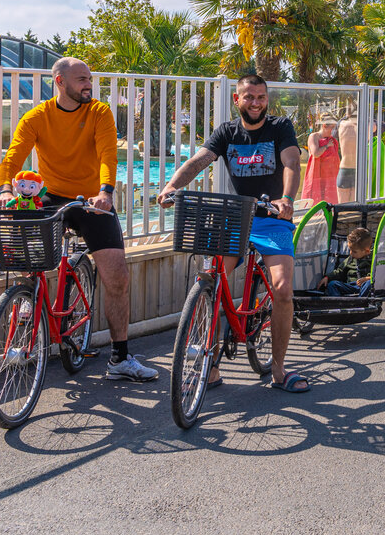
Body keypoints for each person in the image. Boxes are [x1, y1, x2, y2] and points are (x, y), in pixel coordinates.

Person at [0, 57, 157, 382]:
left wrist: (106, 191)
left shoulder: (98, 112)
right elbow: (12, 157)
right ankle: (27, 303)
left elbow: (108, 154)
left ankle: (120, 358)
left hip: (90, 199)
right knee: (30, 253)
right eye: (81, 79)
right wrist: (3, 189)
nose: (88, 84)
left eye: (90, 78)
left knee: (117, 276)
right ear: (60, 82)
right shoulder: (37, 117)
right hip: (52, 195)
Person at [156, 74, 308, 393]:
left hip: (272, 216)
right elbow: (200, 160)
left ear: (268, 100)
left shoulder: (280, 128)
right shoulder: (227, 132)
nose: (255, 102)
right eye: (249, 97)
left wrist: (288, 199)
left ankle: (279, 370)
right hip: (237, 218)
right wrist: (172, 186)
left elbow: (292, 162)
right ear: (237, 100)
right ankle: (210, 365)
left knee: (281, 288)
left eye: (261, 97)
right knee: (212, 279)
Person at [317, 227, 372, 296]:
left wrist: (368, 278)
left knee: (370, 283)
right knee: (332, 284)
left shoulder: (373, 258)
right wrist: (327, 277)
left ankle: (361, 301)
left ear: (367, 251)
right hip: (351, 286)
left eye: (354, 251)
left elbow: (379, 274)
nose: (351, 253)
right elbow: (339, 271)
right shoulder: (350, 259)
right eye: (350, 250)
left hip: (365, 285)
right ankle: (339, 303)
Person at [304, 115, 340, 205]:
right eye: (332, 128)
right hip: (316, 176)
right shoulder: (314, 136)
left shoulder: (331, 140)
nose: (333, 131)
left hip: (329, 178)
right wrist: (326, 146)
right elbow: (315, 154)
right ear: (324, 126)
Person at [336, 111, 358, 203]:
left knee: (342, 206)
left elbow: (333, 135)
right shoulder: (365, 126)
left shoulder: (341, 124)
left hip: (344, 167)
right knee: (356, 206)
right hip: (358, 169)